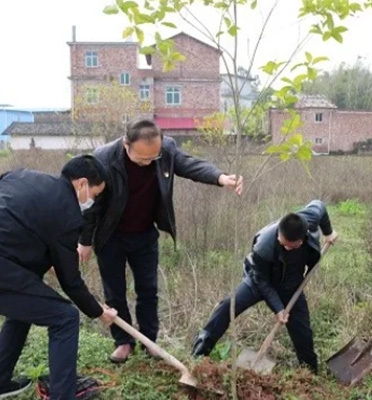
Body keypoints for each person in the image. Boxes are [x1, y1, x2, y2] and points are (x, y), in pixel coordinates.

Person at [77, 118, 243, 363]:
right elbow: (92, 204)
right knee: (115, 292)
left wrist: (220, 177)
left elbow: (189, 165)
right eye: (142, 158)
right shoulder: (103, 158)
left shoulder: (165, 149)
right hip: (110, 236)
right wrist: (85, 241)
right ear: (126, 144)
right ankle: (123, 342)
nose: (148, 162)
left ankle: (149, 340)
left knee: (148, 290)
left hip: (144, 234)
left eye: (153, 158)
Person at [0, 155, 117, 400]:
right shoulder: (68, 213)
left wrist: (53, 258)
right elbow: (71, 282)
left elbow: (19, 223)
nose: (92, 202)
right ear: (82, 184)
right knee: (65, 317)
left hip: (8, 266)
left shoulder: (21, 175)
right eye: (95, 195)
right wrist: (97, 311)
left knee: (24, 310)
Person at [191, 200, 337, 374]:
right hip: (259, 281)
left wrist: (328, 233)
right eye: (282, 243)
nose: (285, 248)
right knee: (227, 306)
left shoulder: (308, 219)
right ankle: (197, 358)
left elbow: (320, 205)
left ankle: (310, 374)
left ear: (304, 237)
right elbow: (262, 282)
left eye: (292, 247)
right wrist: (278, 308)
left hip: (291, 286)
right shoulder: (264, 245)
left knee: (302, 331)